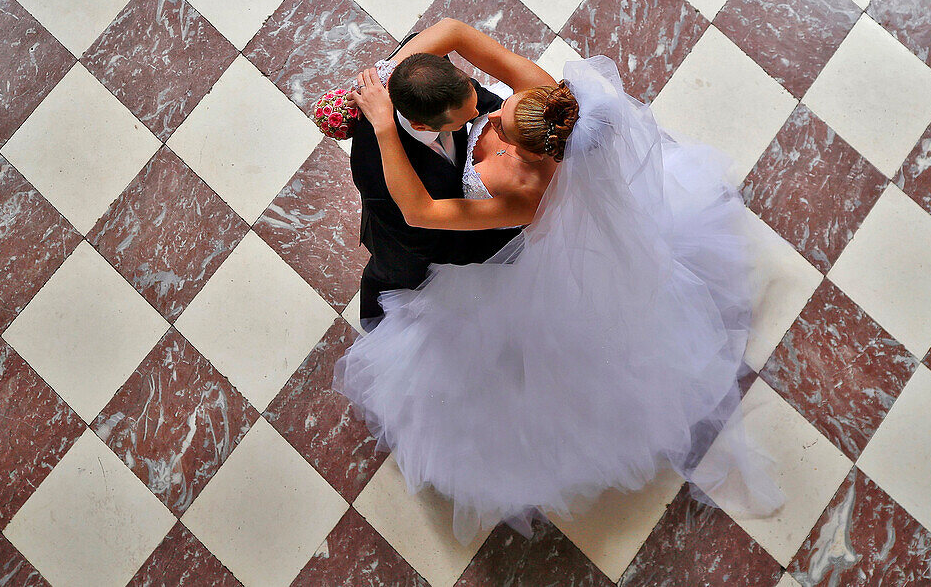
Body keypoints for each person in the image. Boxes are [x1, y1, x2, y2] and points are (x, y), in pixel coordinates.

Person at [336, 51, 787, 546]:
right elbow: (456, 33)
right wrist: (390, 74)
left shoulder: (527, 188)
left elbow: (420, 212)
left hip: (493, 261)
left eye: (499, 128)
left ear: (529, 151)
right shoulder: (548, 102)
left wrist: (382, 124)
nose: (489, 116)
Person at [349, 19, 542, 330]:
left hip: (457, 219)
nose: (489, 115)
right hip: (408, 246)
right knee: (390, 278)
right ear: (424, 127)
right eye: (464, 118)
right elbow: (420, 221)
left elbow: (475, 92)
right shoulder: (374, 166)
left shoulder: (424, 71)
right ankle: (375, 321)